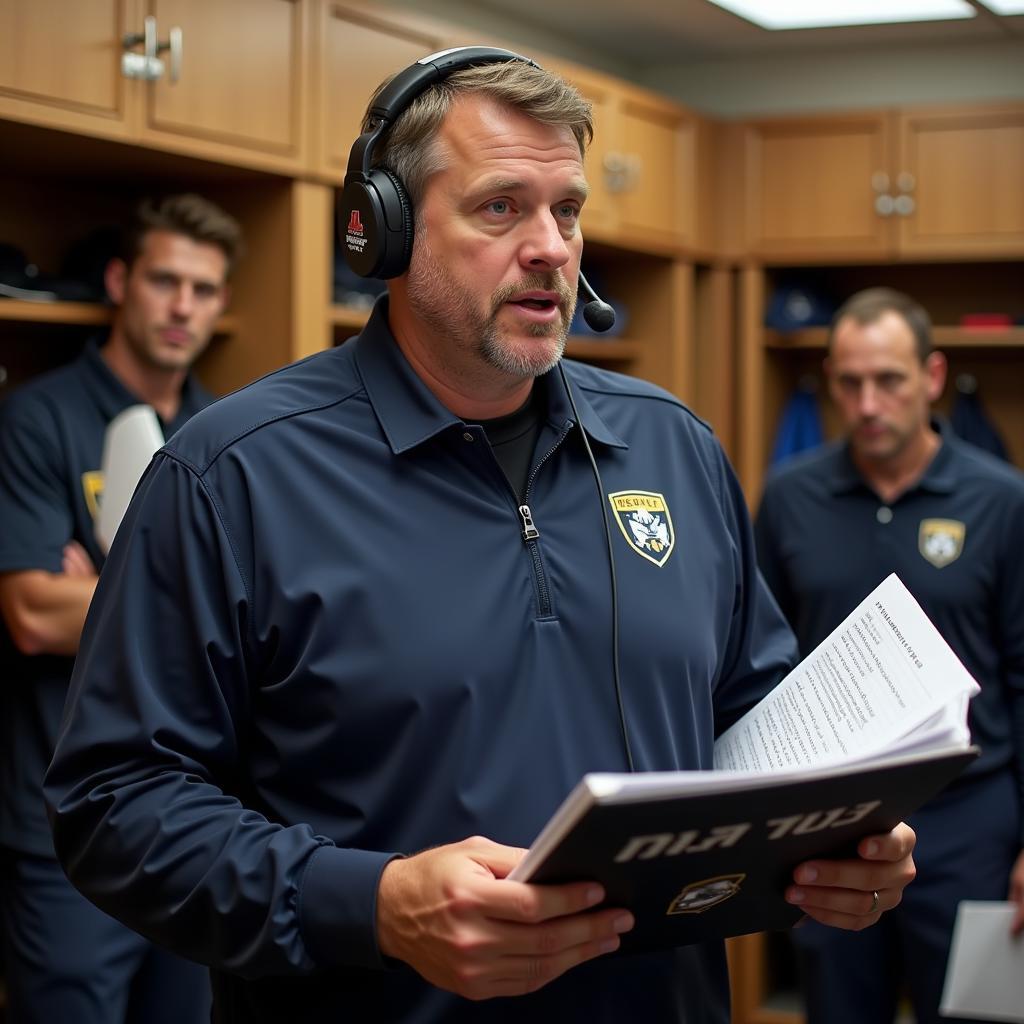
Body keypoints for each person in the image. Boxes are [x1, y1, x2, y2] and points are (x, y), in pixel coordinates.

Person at [45, 53, 917, 1024]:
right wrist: (368, 904)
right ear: (387, 230)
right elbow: (114, 804)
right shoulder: (232, 474)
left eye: (568, 210)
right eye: (502, 207)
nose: (551, 247)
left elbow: (753, 705)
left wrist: (839, 837)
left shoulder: (674, 448)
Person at [0, 192, 243, 1024]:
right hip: (58, 824)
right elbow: (32, 612)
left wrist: (99, 584)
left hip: (196, 823)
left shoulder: (230, 436)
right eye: (164, 281)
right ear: (118, 281)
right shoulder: (39, 419)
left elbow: (254, 629)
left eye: (204, 290)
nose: (183, 308)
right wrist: (190, 598)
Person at [754, 287, 1024, 1024]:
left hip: (972, 822)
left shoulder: (1002, 501)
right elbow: (760, 666)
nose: (867, 402)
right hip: (832, 823)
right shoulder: (788, 498)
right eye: (849, 382)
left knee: (976, 1013)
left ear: (932, 377)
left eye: (889, 380)